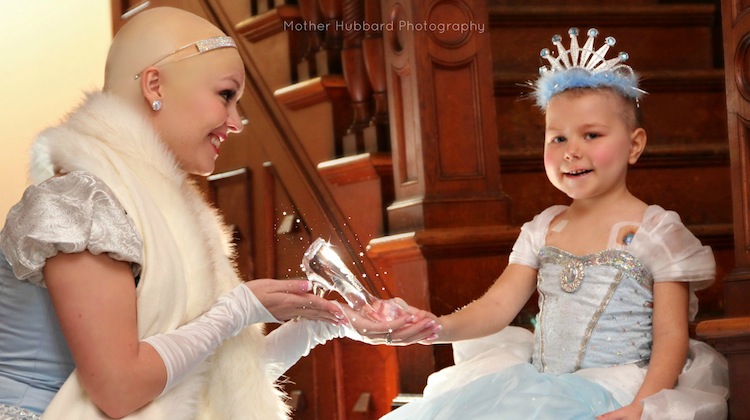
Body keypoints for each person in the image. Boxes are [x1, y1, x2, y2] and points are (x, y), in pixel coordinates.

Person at [0, 7, 438, 420]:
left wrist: (326, 325)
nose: (235, 121)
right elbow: (120, 389)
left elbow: (215, 381)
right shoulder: (78, 203)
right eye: (226, 96)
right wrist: (235, 311)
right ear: (155, 86)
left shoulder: (172, 214)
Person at [382, 28, 729, 420]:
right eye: (557, 138)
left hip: (618, 392)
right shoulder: (543, 229)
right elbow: (497, 306)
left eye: (591, 134)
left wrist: (642, 408)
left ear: (634, 145)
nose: (571, 151)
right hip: (540, 388)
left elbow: (671, 339)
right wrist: (436, 326)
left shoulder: (656, 233)